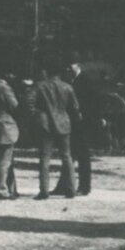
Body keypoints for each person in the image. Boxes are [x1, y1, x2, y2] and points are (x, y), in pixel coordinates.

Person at [31, 62, 80, 200]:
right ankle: (71, 189)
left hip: (46, 125)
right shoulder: (68, 87)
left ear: (47, 71)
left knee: (45, 159)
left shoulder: (40, 86)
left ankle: (44, 190)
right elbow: (75, 107)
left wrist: (37, 116)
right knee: (67, 158)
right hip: (64, 124)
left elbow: (29, 103)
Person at [63, 60, 99, 195]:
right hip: (74, 123)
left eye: (71, 65)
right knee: (69, 155)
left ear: (78, 66)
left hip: (83, 124)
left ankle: (84, 187)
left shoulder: (85, 81)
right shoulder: (72, 80)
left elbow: (92, 103)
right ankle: (66, 185)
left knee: (83, 156)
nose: (69, 69)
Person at [0, 69, 21, 199]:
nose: (14, 75)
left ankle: (11, 188)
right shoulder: (5, 89)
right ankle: (1, 189)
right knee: (5, 160)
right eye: (12, 73)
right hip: (6, 126)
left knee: (7, 159)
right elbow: (15, 107)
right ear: (6, 74)